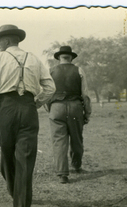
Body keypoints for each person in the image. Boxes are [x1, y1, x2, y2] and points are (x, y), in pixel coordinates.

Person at [0, 24, 56, 207]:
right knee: (25, 158)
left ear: (6, 40)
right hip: (28, 109)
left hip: (5, 110)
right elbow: (50, 87)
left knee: (7, 157)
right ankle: (21, 203)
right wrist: (35, 103)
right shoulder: (34, 58)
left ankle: (20, 204)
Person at [47, 46, 91, 184]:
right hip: (75, 107)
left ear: (59, 57)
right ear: (71, 57)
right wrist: (87, 112)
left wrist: (51, 108)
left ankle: (62, 174)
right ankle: (76, 165)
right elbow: (85, 94)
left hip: (56, 108)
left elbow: (46, 94)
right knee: (77, 138)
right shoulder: (78, 70)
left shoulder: (51, 71)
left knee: (59, 141)